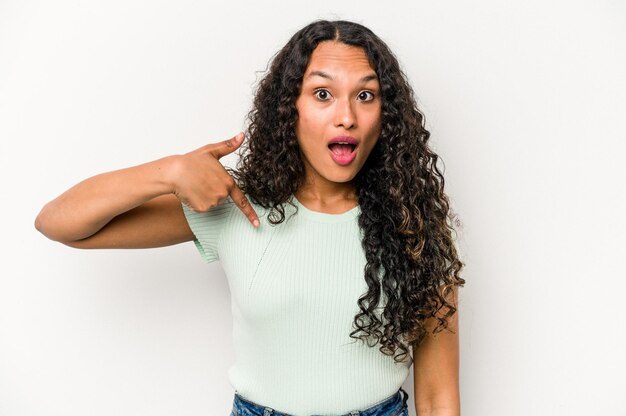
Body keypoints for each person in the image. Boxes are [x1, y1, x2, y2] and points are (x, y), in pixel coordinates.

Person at [35, 19, 465, 416]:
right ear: (289, 108)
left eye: (366, 95)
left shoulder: (416, 223)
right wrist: (167, 171)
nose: (347, 116)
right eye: (322, 94)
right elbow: (60, 224)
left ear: (386, 115)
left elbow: (436, 396)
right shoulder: (236, 206)